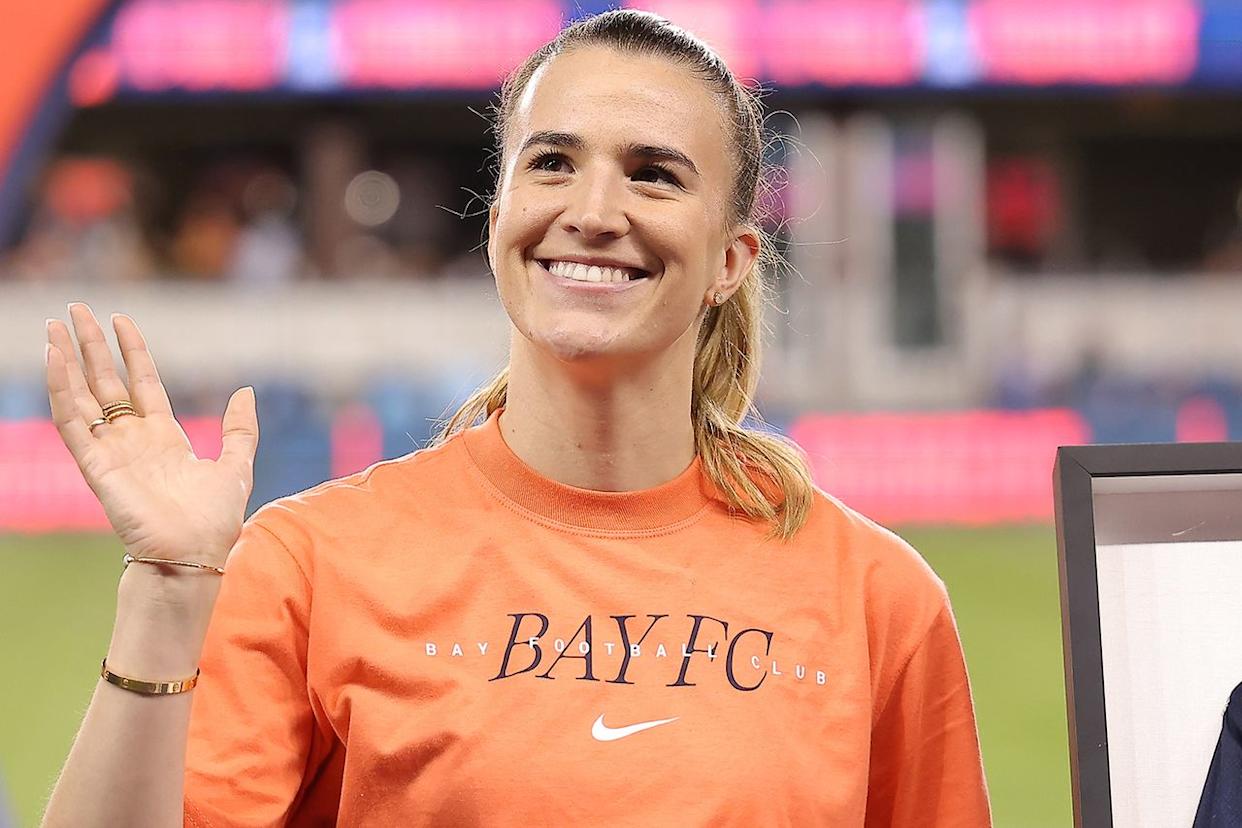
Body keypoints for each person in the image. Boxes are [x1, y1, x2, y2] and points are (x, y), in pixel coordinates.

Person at [40, 11, 991, 826]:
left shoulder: (878, 602)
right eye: (552, 163)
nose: (593, 210)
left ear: (733, 260)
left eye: (654, 174)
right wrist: (166, 593)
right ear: (499, 218)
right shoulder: (310, 563)